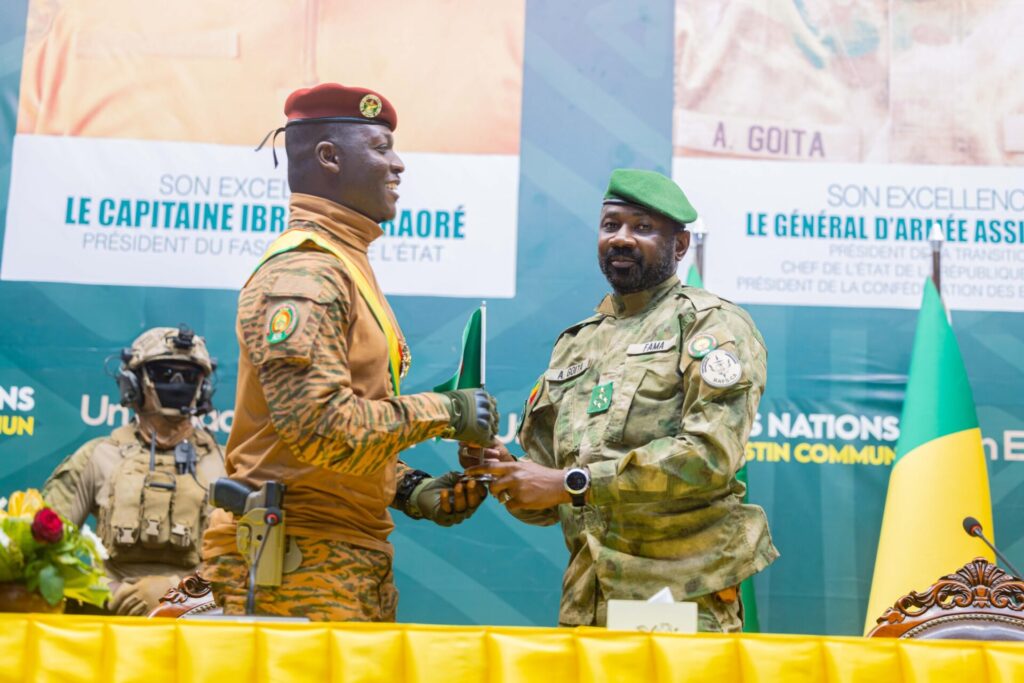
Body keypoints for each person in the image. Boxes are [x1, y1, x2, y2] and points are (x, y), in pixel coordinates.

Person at [201, 83, 499, 621]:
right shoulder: (307, 272)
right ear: (329, 157)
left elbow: (322, 443)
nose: (399, 165)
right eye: (381, 148)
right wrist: (447, 410)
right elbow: (320, 429)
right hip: (292, 562)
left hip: (338, 558)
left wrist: (412, 490)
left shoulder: (344, 264)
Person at [464, 169, 779, 631]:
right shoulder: (576, 344)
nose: (622, 238)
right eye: (611, 225)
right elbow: (549, 497)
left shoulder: (709, 324)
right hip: (585, 601)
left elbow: (710, 456)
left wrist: (571, 483)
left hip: (679, 597)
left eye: (642, 227)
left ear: (680, 245)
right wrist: (504, 471)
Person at [43, 325, 226, 616]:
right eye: (164, 373)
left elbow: (243, 563)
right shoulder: (98, 457)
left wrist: (180, 593)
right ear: (134, 383)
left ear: (203, 388)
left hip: (194, 624)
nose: (177, 383)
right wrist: (105, 590)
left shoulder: (225, 465)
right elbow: (41, 548)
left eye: (190, 376)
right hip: (109, 618)